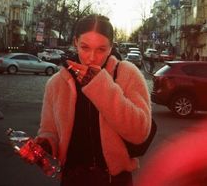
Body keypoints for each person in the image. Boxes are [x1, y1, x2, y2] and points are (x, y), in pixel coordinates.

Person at [36, 14, 152, 186]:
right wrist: (43, 145)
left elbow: (140, 132)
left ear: (111, 47)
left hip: (114, 179)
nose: (91, 57)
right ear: (75, 42)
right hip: (71, 178)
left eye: (101, 49)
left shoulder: (126, 73)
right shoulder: (57, 83)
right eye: (85, 47)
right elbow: (49, 130)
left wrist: (100, 85)